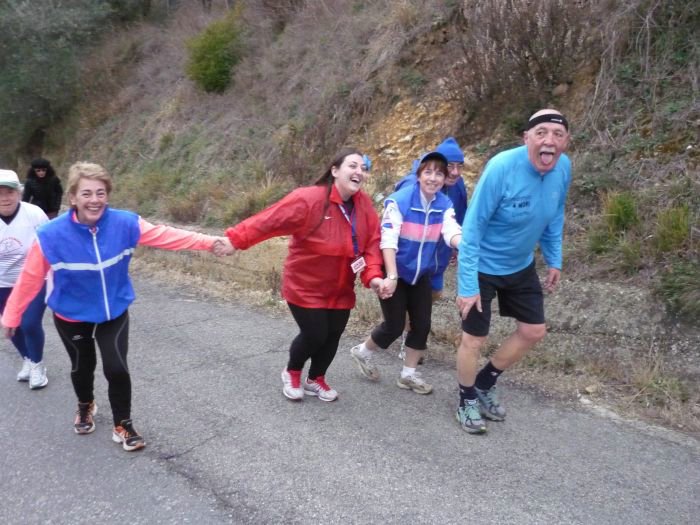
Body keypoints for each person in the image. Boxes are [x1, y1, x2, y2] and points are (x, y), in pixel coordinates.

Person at [1, 162, 227, 452]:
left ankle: (123, 424)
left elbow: (168, 236)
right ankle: (85, 404)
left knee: (117, 367)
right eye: (86, 193)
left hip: (114, 310)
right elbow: (30, 279)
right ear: (73, 198)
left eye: (100, 193)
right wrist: (12, 315)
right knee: (82, 368)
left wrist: (210, 242)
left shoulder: (125, 223)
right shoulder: (50, 234)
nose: (94, 200)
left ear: (107, 195)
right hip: (71, 315)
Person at [219, 148, 387, 402]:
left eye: (363, 168)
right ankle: (292, 372)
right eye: (352, 166)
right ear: (334, 170)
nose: (359, 172)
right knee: (315, 334)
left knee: (332, 336)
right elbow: (270, 220)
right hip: (304, 286)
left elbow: (371, 244)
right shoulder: (309, 199)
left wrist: (373, 276)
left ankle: (316, 378)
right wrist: (236, 240)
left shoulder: (364, 207)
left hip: (340, 288)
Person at [455, 109, 572, 434]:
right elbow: (472, 228)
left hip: (520, 265)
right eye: (541, 133)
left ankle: (484, 382)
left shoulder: (563, 167)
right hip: (482, 266)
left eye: (558, 134)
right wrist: (467, 286)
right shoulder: (501, 168)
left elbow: (555, 213)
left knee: (533, 331)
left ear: (566, 141)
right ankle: (466, 399)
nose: (549, 141)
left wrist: (554, 258)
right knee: (474, 338)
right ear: (526, 138)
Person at [350, 151, 462, 394]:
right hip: (395, 270)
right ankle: (363, 351)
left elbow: (450, 230)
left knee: (422, 324)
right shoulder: (399, 201)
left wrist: (463, 243)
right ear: (419, 175)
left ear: (444, 179)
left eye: (439, 173)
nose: (433, 178)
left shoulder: (444, 204)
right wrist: (391, 276)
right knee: (394, 325)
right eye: (428, 172)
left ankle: (408, 374)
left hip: (421, 274)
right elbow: (388, 240)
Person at [394, 137, 468, 360]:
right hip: (410, 260)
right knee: (416, 303)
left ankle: (407, 329)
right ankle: (407, 339)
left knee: (434, 294)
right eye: (450, 166)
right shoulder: (412, 186)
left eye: (460, 166)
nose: (455, 172)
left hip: (438, 257)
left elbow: (459, 218)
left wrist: (457, 246)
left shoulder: (457, 186)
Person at [0, 169, 49, 389]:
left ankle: (38, 366)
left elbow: (51, 243)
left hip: (34, 280)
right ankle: (28, 359)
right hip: (3, 283)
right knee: (11, 325)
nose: (4, 198)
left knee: (29, 323)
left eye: (9, 192)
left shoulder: (34, 214)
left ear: (19, 193)